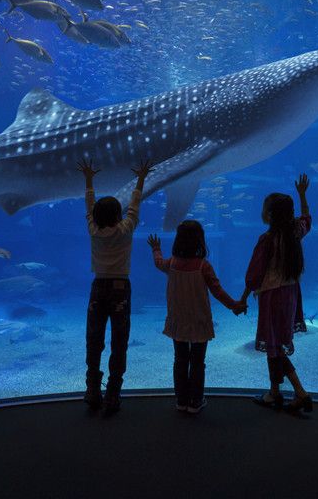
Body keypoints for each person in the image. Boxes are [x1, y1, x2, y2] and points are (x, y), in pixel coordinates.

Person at [77, 157, 153, 414]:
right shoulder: (126, 229)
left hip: (98, 288)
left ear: (96, 217)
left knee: (94, 337)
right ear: (119, 215)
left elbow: (89, 206)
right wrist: (140, 178)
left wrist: (89, 179)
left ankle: (91, 389)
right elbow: (135, 206)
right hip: (121, 288)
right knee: (120, 340)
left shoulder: (93, 230)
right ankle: (113, 392)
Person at [147, 222, 245, 414]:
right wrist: (234, 305)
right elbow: (217, 291)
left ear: (178, 240)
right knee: (198, 361)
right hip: (199, 321)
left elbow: (158, 263)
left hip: (178, 321)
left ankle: (181, 400)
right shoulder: (203, 266)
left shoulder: (172, 263)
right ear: (200, 240)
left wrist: (156, 249)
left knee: (180, 360)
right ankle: (196, 401)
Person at [241, 173, 313, 412]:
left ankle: (300, 393)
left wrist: (241, 299)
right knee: (276, 344)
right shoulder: (295, 232)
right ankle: (274, 392)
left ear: (270, 214)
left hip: (272, 296)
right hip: (291, 295)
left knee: (273, 345)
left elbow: (254, 275)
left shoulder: (267, 239)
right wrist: (302, 194)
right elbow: (307, 219)